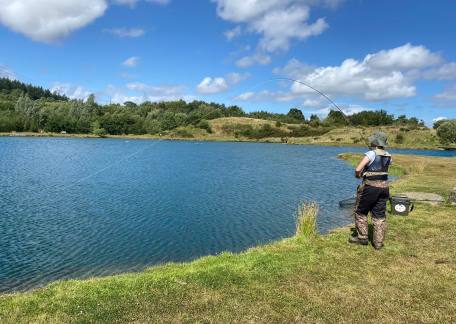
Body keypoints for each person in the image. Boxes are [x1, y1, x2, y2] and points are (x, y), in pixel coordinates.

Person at [349, 132, 392, 250]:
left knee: (360, 211)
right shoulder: (389, 155)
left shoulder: (370, 153)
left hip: (370, 187)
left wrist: (358, 175)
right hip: (385, 188)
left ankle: (362, 237)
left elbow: (358, 169)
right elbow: (382, 169)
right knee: (379, 214)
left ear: (375, 142)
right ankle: (378, 243)